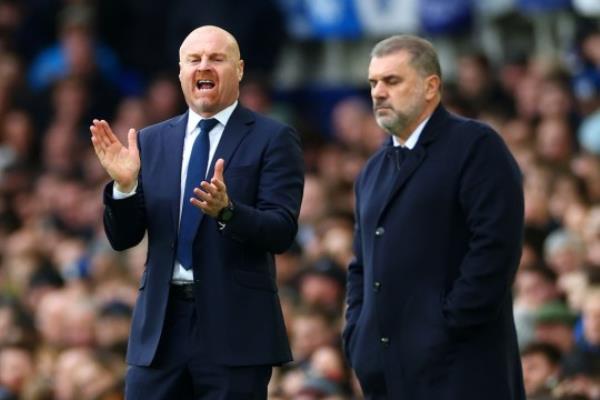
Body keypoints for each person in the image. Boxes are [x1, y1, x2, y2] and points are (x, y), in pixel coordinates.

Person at [89, 25, 304, 399]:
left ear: (238, 69)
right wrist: (125, 187)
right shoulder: (152, 141)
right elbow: (124, 238)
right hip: (160, 329)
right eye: (194, 59)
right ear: (181, 73)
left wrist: (228, 211)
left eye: (216, 58)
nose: (204, 65)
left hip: (235, 332)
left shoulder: (273, 138)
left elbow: (281, 230)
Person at [343, 34, 526, 399]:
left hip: (461, 371)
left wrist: (445, 327)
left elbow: (495, 249)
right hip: (387, 375)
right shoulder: (373, 169)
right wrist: (357, 334)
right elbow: (361, 265)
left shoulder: (475, 145)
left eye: (392, 81)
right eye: (373, 82)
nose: (378, 92)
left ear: (431, 87)